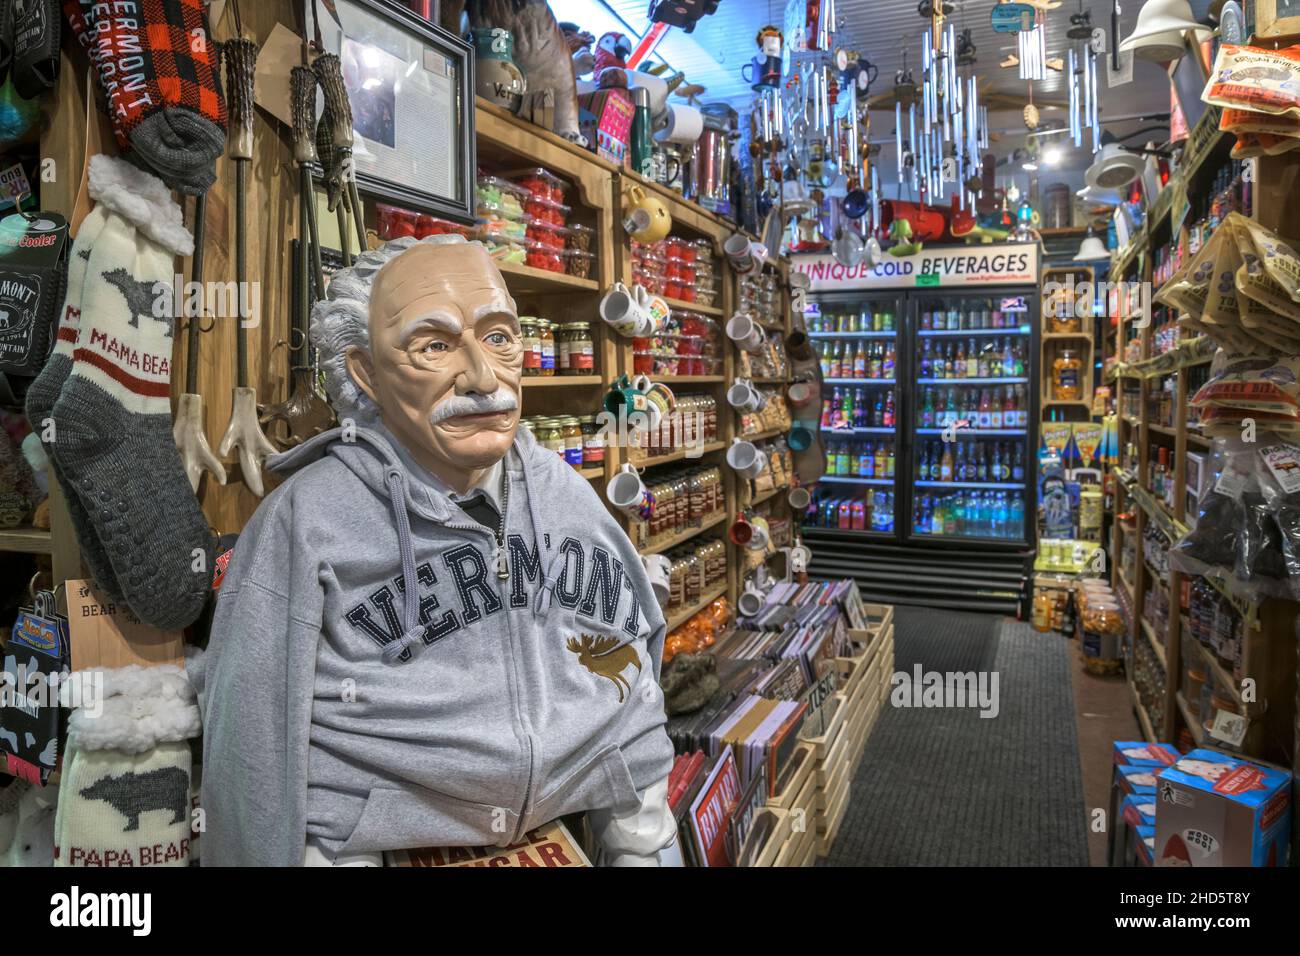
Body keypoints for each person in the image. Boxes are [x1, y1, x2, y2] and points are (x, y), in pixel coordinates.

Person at [192, 235, 679, 866]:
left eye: (500, 337)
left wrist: (642, 836)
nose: (483, 377)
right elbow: (249, 735)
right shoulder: (305, 519)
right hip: (370, 847)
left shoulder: (562, 492)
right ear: (365, 372)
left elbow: (633, 666)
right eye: (435, 345)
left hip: (554, 834)